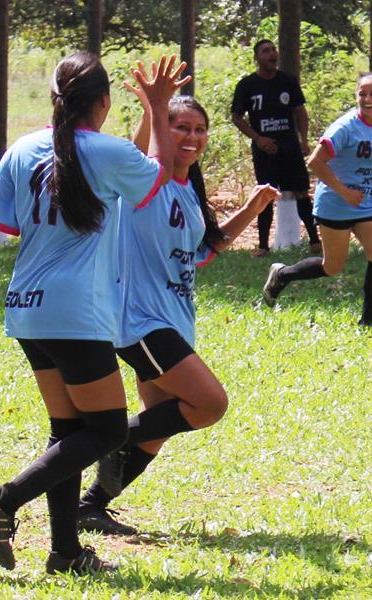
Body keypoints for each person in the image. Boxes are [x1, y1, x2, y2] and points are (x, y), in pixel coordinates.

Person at [0, 52, 191, 574]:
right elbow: (155, 177)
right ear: (104, 103)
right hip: (76, 314)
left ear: (55, 100)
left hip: (27, 312)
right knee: (107, 432)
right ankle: (1, 501)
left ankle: (65, 553)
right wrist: (156, 107)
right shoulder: (106, 151)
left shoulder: (23, 149)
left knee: (67, 433)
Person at [76, 88, 278, 535]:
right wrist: (154, 104)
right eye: (180, 127)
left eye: (199, 128)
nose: (192, 136)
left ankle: (90, 507)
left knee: (158, 427)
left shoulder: (187, 191)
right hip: (139, 324)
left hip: (173, 323)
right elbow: (138, 151)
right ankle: (93, 443)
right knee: (209, 403)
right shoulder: (143, 184)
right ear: (162, 133)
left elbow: (205, 250)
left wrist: (251, 209)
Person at [262, 73, 372, 327]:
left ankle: (367, 320)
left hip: (368, 202)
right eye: (362, 93)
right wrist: (344, 192)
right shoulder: (345, 127)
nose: (367, 99)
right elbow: (315, 162)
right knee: (332, 267)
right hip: (336, 203)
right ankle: (282, 274)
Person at [231, 39, 320, 257]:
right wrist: (258, 138)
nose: (272, 54)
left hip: (290, 147)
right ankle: (263, 246)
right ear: (257, 57)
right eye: (265, 51)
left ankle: (315, 242)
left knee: (301, 192)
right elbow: (236, 117)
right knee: (265, 195)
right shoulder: (247, 85)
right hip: (265, 151)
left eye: (274, 50)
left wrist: (303, 140)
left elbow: (300, 111)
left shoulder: (288, 81)